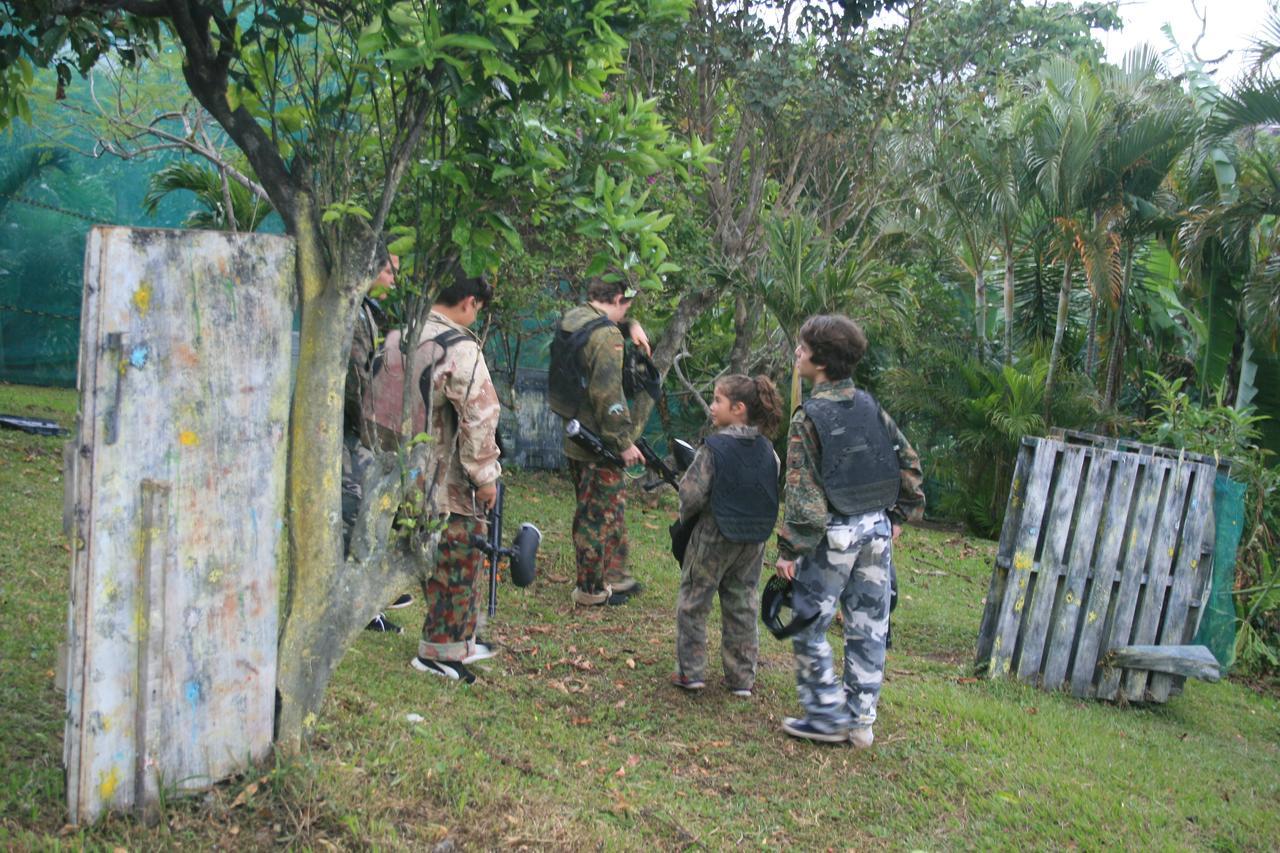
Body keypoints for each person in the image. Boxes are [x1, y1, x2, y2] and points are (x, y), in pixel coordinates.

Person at [774, 314, 924, 747]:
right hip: (876, 528)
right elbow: (908, 461)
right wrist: (899, 516)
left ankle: (824, 716)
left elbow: (803, 494)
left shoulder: (809, 416)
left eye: (802, 348)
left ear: (819, 361)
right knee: (869, 626)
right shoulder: (868, 404)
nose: (798, 354)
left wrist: (790, 549)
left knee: (807, 621)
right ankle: (860, 721)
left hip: (834, 534)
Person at [370, 267, 501, 683]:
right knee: (457, 558)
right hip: (445, 480)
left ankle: (460, 637)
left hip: (397, 471)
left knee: (426, 555)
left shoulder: (399, 335)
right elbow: (480, 417)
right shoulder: (461, 349)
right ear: (469, 303)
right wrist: (485, 476)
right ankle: (439, 652)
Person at [671, 374, 783, 697]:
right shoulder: (768, 450)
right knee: (742, 604)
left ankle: (690, 673)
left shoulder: (714, 447)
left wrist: (686, 522)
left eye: (717, 400)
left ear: (738, 408)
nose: (712, 407)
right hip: (754, 540)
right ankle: (741, 680)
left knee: (694, 599)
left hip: (714, 535)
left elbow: (691, 494)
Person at [554, 278, 652, 607]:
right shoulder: (606, 336)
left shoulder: (573, 319)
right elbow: (608, 395)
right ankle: (591, 590)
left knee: (608, 508)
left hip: (576, 432)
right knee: (596, 516)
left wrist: (632, 324)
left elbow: (601, 327)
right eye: (628, 307)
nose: (628, 313)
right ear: (619, 298)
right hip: (601, 442)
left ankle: (615, 576)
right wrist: (623, 442)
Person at [341, 252, 413, 634]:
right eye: (389, 272)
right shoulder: (354, 314)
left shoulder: (366, 312)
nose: (393, 280)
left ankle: (364, 601)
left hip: (355, 428)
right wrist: (373, 433)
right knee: (354, 512)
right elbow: (355, 385)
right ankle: (359, 605)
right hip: (348, 429)